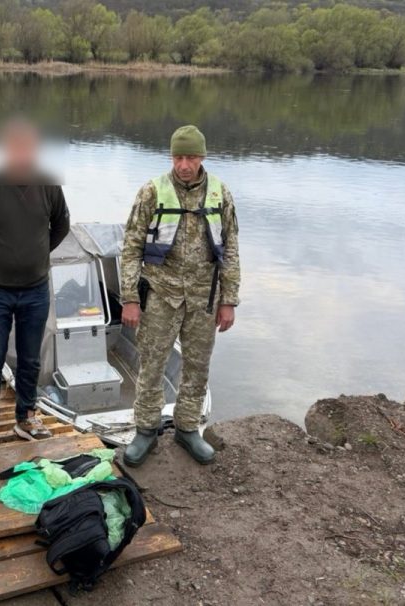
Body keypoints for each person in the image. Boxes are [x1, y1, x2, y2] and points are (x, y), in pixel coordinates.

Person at [119, 125, 241, 467]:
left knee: (197, 366)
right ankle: (146, 430)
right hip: (160, 293)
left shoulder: (220, 194)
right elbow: (130, 247)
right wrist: (130, 297)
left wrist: (228, 300)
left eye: (190, 157)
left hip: (205, 297)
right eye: (178, 157)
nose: (184, 164)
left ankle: (188, 428)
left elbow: (230, 248)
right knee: (152, 363)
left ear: (202, 157)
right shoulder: (151, 192)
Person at [0, 119, 71, 448]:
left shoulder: (49, 183)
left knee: (30, 358)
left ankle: (26, 417)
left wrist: (35, 254)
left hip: (35, 291)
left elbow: (61, 225)